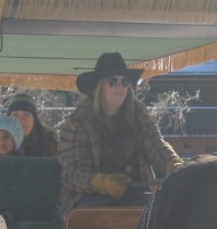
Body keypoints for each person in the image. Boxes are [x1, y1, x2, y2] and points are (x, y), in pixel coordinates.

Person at [56, 52, 182, 218]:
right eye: (113, 81)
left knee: (162, 217)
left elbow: (156, 145)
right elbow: (72, 173)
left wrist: (174, 165)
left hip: (136, 195)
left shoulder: (140, 117)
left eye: (125, 81)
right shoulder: (76, 124)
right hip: (88, 200)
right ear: (99, 86)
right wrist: (103, 183)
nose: (120, 86)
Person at [6, 92, 58, 157]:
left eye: (26, 115)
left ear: (34, 120)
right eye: (15, 115)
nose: (21, 120)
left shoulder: (50, 143)